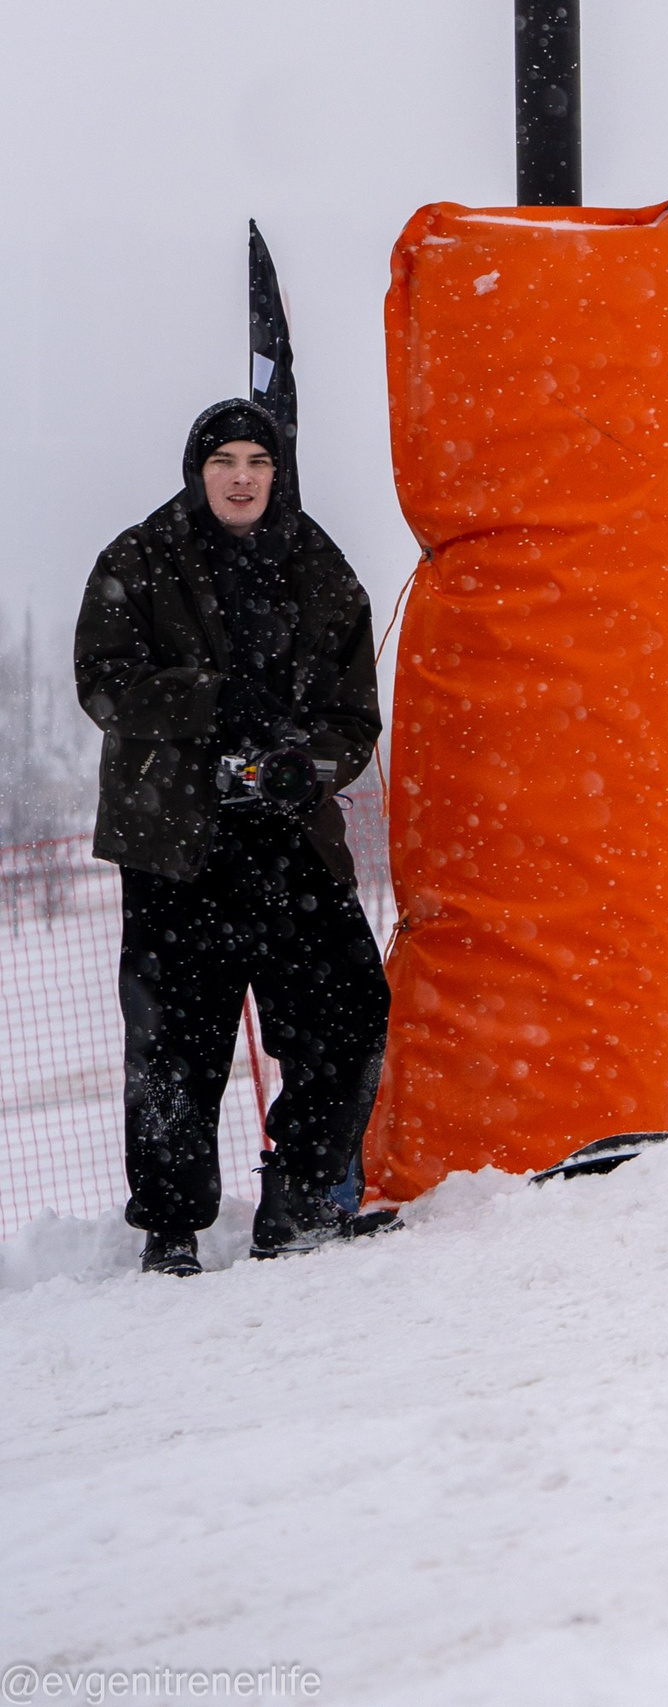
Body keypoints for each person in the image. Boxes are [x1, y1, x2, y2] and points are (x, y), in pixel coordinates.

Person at [75, 399, 390, 1275]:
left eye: (257, 460)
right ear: (196, 470)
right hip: (178, 845)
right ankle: (171, 1231)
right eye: (225, 462)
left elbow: (354, 714)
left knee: (351, 1011)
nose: (242, 477)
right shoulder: (139, 560)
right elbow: (103, 683)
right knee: (176, 1043)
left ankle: (299, 1199)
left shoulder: (316, 563)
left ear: (276, 471)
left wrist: (308, 763)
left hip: (290, 842)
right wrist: (214, 705)